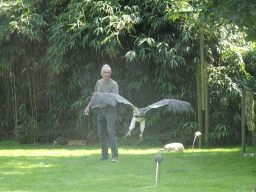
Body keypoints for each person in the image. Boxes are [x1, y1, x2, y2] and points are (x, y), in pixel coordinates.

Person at [84, 64, 119, 162]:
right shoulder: (98, 83)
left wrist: (103, 99)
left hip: (110, 111)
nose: (107, 74)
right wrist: (88, 107)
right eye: (105, 72)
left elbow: (114, 100)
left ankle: (115, 156)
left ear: (111, 73)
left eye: (108, 72)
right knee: (101, 134)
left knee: (111, 133)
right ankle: (104, 156)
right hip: (100, 111)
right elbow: (95, 95)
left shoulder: (114, 84)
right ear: (101, 73)